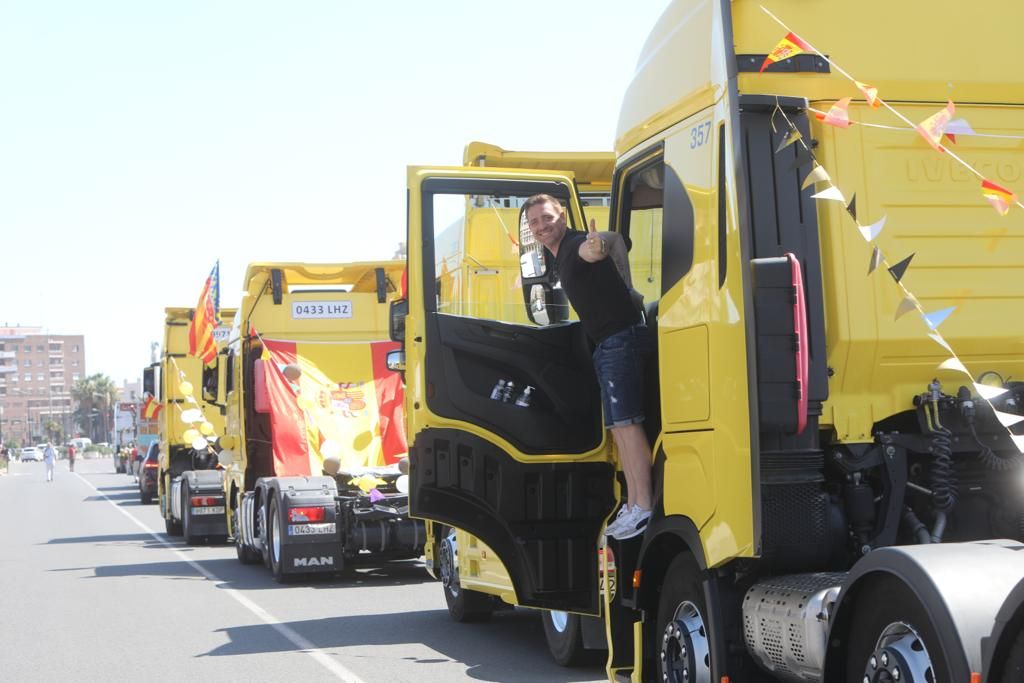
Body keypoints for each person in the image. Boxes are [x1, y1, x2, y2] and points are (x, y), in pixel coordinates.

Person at [524, 194, 654, 540]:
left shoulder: (576, 245)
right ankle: (632, 505)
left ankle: (643, 506)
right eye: (534, 221)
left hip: (619, 339)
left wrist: (597, 247)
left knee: (628, 425)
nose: (541, 226)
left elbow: (594, 249)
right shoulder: (558, 256)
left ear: (562, 215)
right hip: (608, 344)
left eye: (547, 218)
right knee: (617, 428)